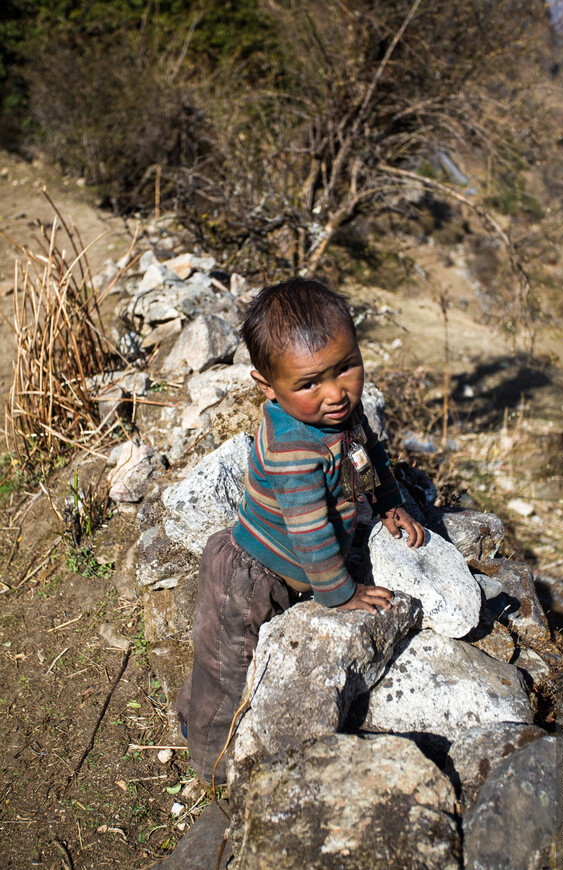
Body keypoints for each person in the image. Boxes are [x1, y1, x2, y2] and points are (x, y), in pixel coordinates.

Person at [176, 277, 425, 784]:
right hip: (251, 575)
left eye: (346, 367)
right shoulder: (293, 445)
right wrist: (340, 593)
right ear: (267, 387)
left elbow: (368, 455)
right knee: (227, 671)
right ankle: (211, 766)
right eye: (310, 383)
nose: (336, 393)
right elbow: (309, 528)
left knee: (229, 666)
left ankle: (201, 721)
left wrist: (389, 504)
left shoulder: (340, 414)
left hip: (288, 569)